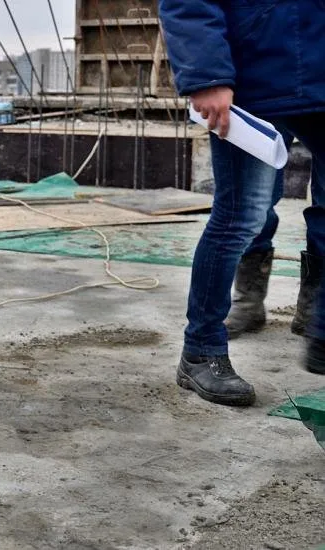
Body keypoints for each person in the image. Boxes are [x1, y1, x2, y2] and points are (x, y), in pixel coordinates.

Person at [159, 0, 325, 406]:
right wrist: (207, 75)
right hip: (254, 80)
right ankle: (202, 350)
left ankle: (317, 320)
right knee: (242, 217)